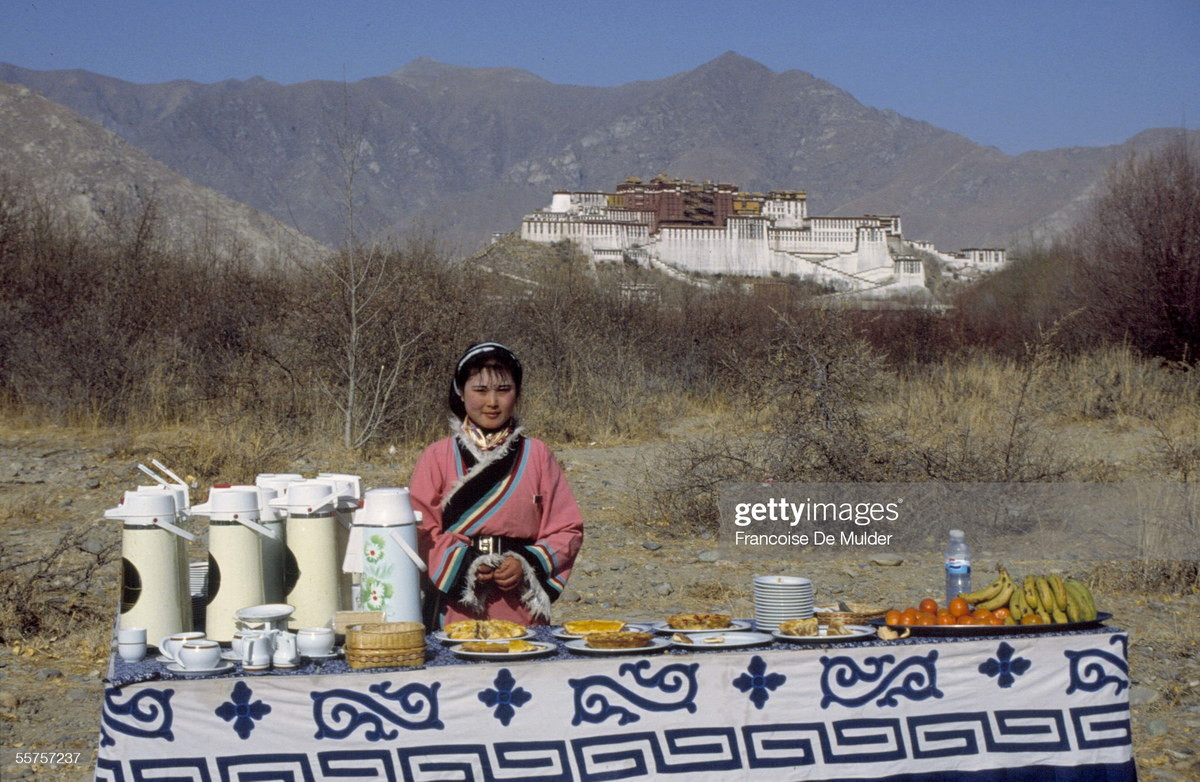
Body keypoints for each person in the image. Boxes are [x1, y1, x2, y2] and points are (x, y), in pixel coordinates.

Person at [410, 342, 584, 629]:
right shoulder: (436, 456)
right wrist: (466, 566)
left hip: (519, 601)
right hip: (456, 601)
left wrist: (526, 562)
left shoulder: (537, 454)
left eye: (503, 390)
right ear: (461, 392)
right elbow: (420, 533)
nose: (492, 402)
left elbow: (567, 529)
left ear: (517, 394)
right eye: (480, 390)